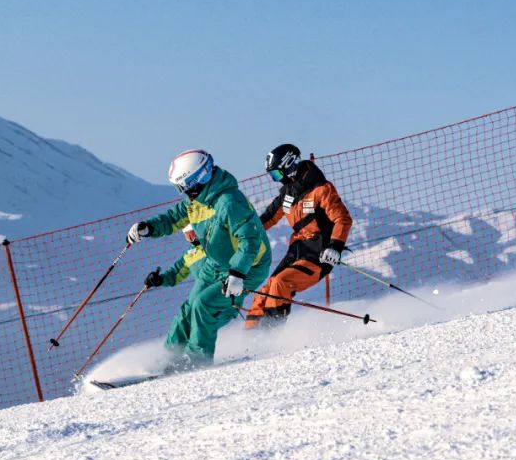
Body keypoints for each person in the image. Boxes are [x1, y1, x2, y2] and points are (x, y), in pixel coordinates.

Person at [126, 149, 271, 369]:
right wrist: (149, 228)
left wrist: (238, 274)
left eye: (186, 186)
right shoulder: (197, 201)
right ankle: (170, 360)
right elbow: (173, 218)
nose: (184, 192)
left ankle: (197, 362)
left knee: (204, 305)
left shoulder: (230, 202)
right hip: (216, 263)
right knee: (188, 309)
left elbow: (249, 242)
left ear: (200, 177)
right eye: (180, 187)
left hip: (248, 266)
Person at [245, 144, 353, 328]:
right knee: (265, 292)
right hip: (297, 251)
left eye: (277, 175)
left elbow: (342, 219)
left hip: (319, 253)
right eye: (273, 176)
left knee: (280, 283)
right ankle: (250, 339)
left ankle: (271, 334)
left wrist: (335, 246)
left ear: (290, 166)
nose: (277, 180)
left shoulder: (321, 189)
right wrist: (241, 234)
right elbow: (268, 218)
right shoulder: (288, 193)